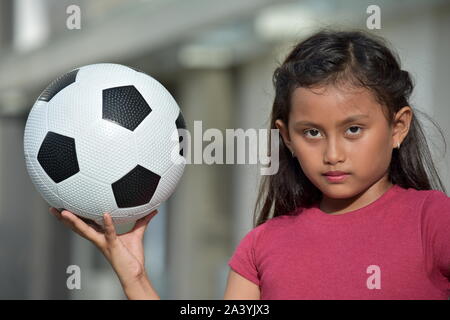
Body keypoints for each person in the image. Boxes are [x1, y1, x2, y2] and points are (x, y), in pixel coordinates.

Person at [49, 29, 450, 300]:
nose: (332, 154)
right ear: (286, 136)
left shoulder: (433, 221)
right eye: (311, 132)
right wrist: (134, 277)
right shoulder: (261, 247)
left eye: (353, 130)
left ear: (397, 127)